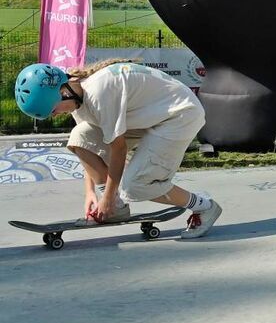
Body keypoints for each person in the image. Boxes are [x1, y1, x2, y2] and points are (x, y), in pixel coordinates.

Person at [14, 60, 222, 238]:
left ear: (63, 92)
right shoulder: (79, 99)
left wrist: (106, 200)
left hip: (179, 115)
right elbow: (88, 148)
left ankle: (204, 205)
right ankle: (117, 208)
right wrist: (90, 194)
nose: (55, 115)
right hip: (148, 116)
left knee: (135, 186)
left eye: (53, 110)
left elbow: (118, 151)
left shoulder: (99, 94)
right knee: (79, 137)